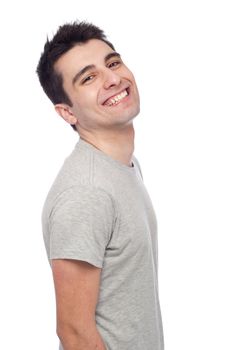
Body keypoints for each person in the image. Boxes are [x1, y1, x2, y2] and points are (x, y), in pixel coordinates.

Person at [36, 20, 164, 350]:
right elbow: (74, 333)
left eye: (113, 62)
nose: (112, 79)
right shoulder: (86, 192)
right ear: (67, 112)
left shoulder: (123, 168)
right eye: (89, 78)